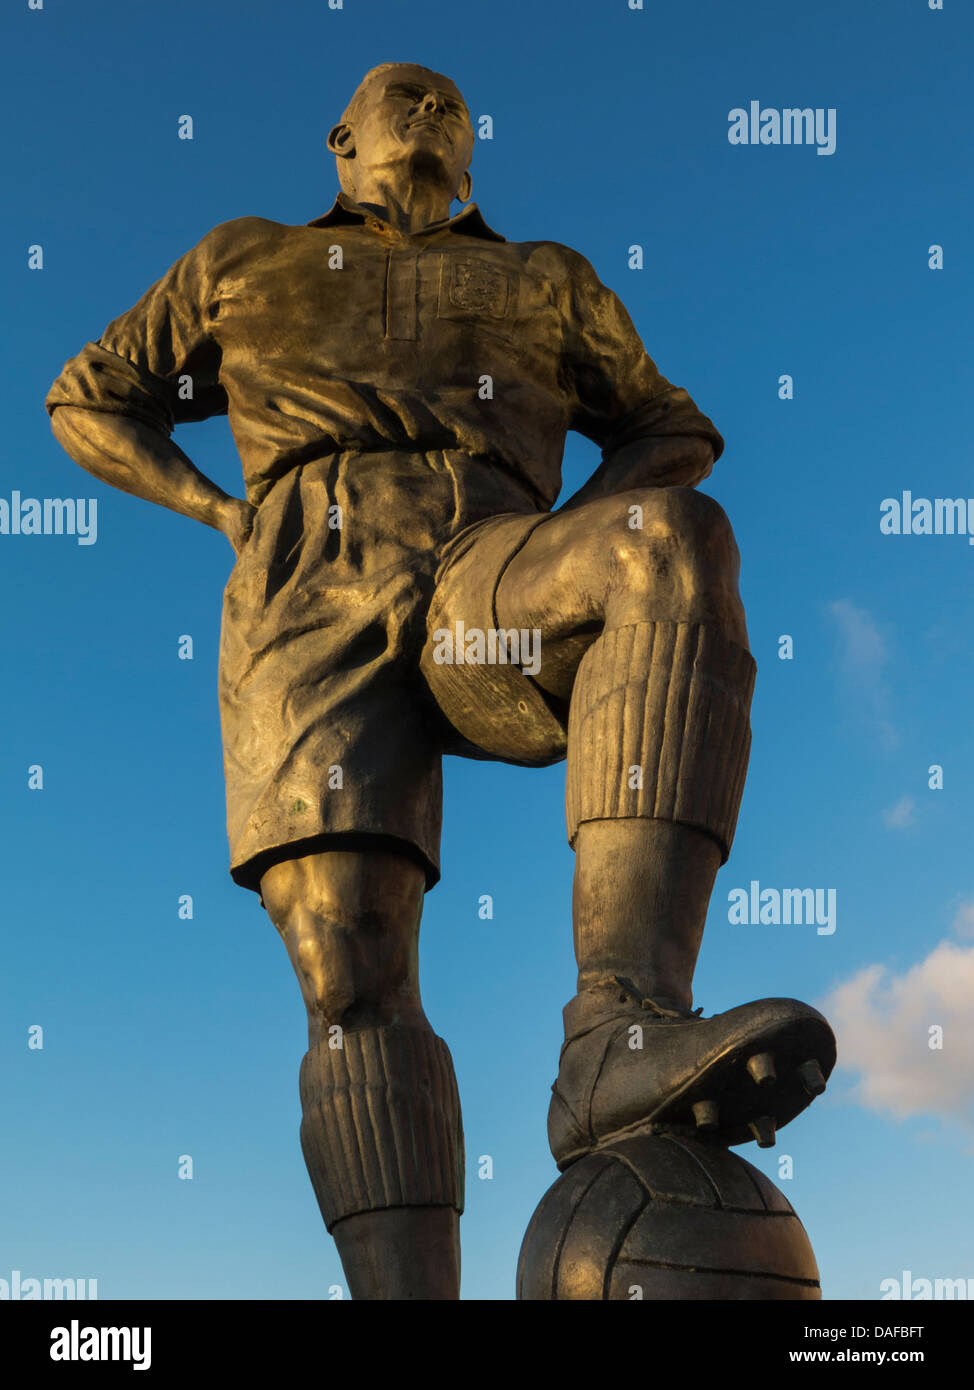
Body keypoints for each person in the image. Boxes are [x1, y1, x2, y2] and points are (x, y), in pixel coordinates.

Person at [47, 62, 835, 1300]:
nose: (426, 111)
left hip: (487, 562)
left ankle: (617, 1026)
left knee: (667, 541)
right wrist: (220, 513)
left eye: (448, 105)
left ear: (473, 149)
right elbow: (89, 398)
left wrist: (562, 531)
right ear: (339, 137)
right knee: (351, 970)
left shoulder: (543, 278)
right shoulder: (242, 257)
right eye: (402, 96)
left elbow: (669, 428)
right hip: (307, 590)